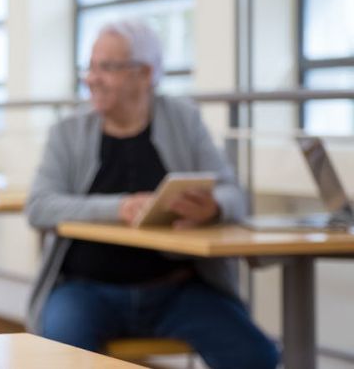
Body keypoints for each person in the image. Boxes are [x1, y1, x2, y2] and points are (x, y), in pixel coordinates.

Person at [25, 22, 279, 369]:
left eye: (106, 67)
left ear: (144, 74)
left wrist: (214, 207)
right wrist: (121, 208)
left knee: (257, 357)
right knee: (59, 359)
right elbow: (39, 206)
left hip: (179, 290)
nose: (92, 78)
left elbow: (233, 193)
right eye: (91, 66)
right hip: (86, 290)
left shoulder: (184, 120)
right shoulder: (67, 132)